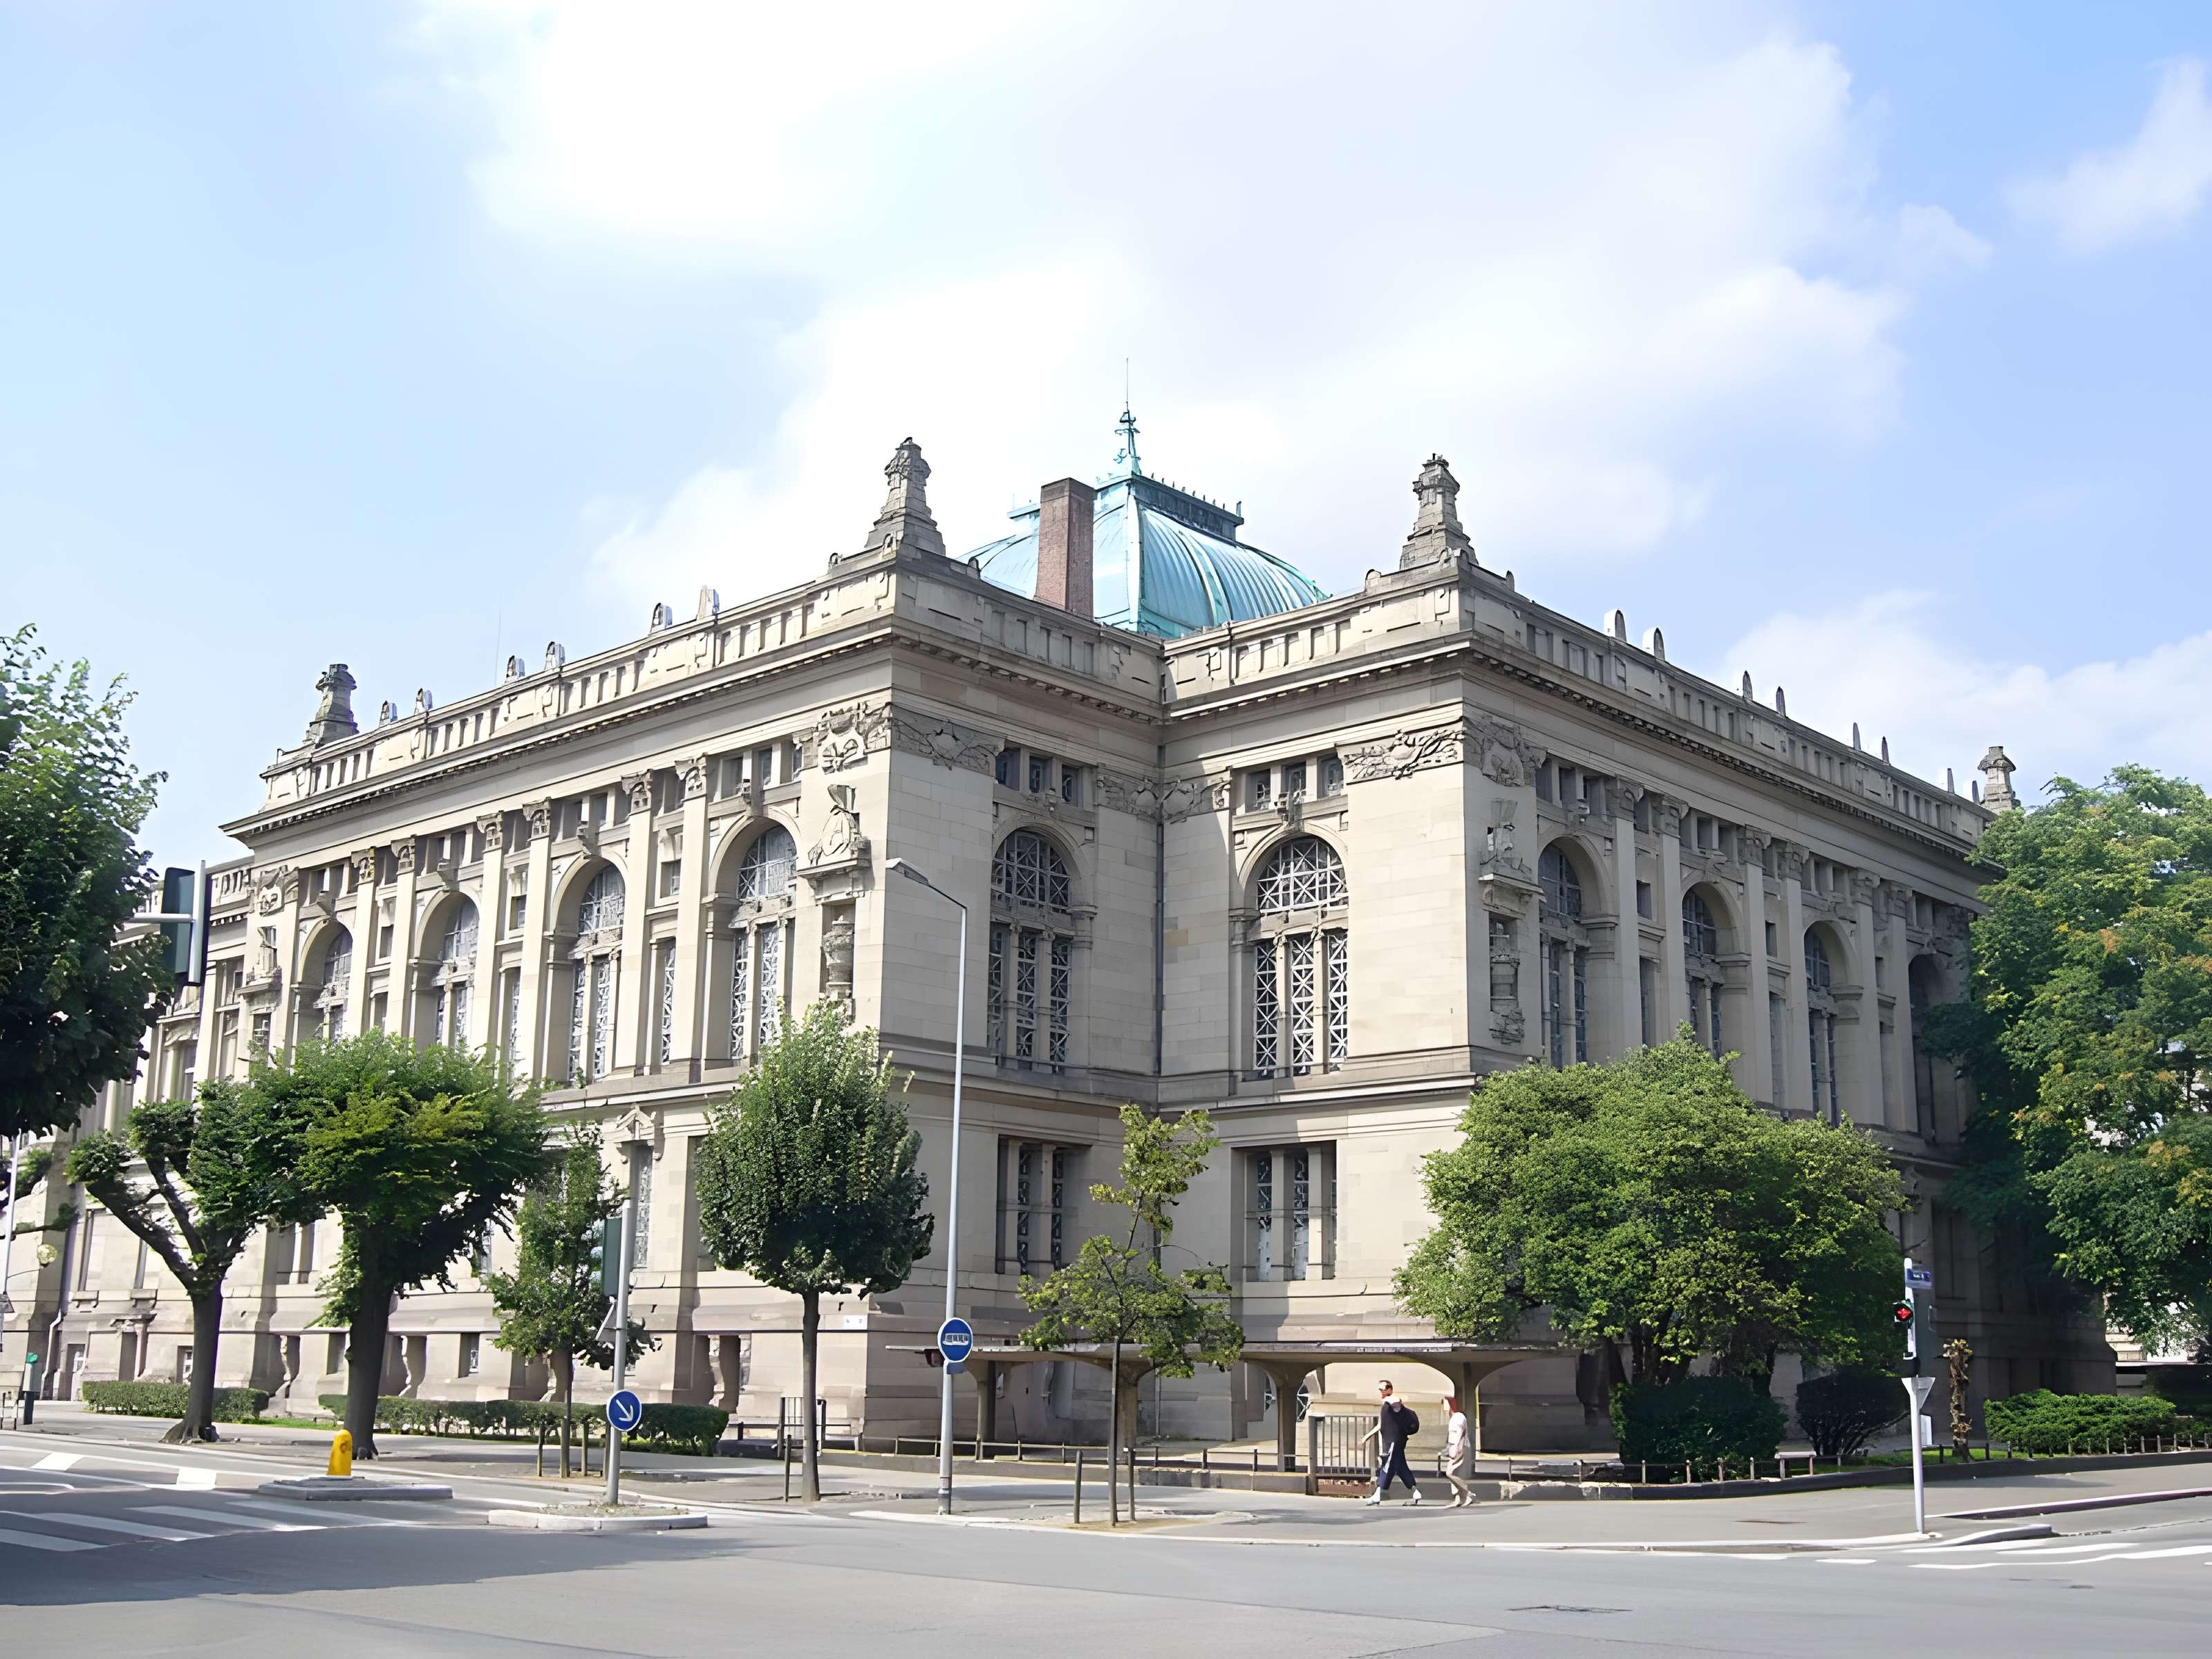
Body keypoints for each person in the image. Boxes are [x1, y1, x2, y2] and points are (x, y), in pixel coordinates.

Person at [1360, 1379, 1422, 1506]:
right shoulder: (1385, 1407)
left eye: (1383, 1389)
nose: (1381, 1392)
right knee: (1401, 1468)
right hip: (1391, 1442)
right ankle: (1416, 1492)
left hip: (1394, 1441)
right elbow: (1381, 1425)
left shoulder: (1394, 1404)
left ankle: (1377, 1495)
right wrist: (1367, 1436)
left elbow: (1397, 1401)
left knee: (1386, 1466)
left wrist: (1389, 1398)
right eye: (1380, 1390)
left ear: (1390, 1389)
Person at [1441, 1394, 1477, 1507]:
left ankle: (1467, 1493)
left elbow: (1460, 1433)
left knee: (1450, 1473)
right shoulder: (1454, 1417)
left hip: (1459, 1447)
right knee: (1454, 1473)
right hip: (1455, 1447)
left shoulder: (1459, 1417)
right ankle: (1458, 1499)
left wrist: (1456, 1448)